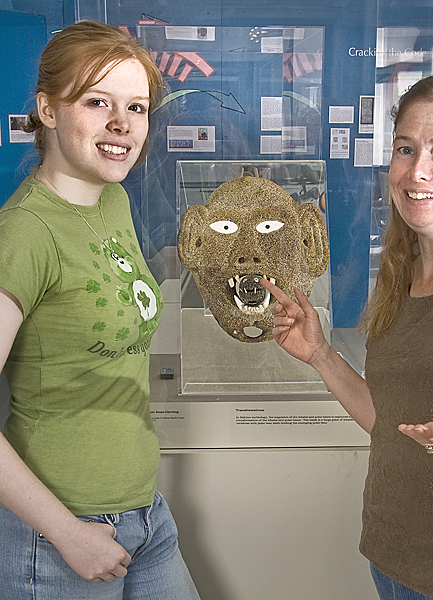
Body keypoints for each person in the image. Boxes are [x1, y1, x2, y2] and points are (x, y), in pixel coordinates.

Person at [262, 73, 433, 600]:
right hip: (392, 557)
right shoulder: (401, 273)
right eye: (405, 149)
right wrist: (320, 355)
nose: (416, 171)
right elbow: (393, 423)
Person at [0, 21, 200, 600]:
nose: (122, 125)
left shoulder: (112, 199)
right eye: (97, 102)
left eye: (136, 107)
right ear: (48, 109)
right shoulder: (25, 234)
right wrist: (66, 533)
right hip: (59, 537)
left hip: (144, 517)